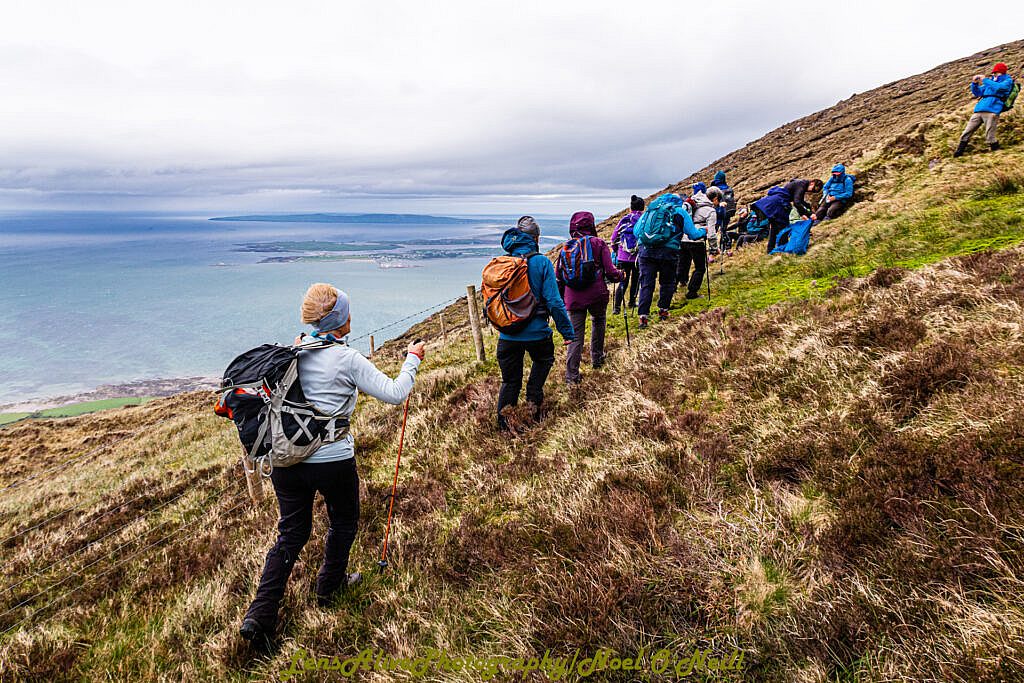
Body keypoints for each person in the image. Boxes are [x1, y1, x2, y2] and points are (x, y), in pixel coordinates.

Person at [240, 284, 426, 651]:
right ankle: (329, 587)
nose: (351, 318)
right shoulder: (347, 358)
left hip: (285, 460)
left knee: (291, 534)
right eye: (347, 313)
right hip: (332, 459)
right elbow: (395, 393)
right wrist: (412, 358)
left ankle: (260, 615)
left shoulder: (290, 351)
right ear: (338, 320)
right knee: (343, 520)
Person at [494, 216, 574, 431]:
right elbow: (555, 302)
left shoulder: (503, 264)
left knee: (510, 381)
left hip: (508, 334)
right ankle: (533, 410)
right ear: (536, 239)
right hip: (538, 333)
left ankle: (504, 425)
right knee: (542, 362)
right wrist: (567, 332)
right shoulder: (541, 262)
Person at [558, 211, 623, 385]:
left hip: (573, 297)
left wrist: (561, 299)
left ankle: (572, 377)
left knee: (575, 335)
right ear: (592, 225)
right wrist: (620, 276)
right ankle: (597, 358)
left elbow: (559, 276)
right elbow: (610, 271)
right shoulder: (598, 243)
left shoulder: (566, 247)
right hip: (596, 294)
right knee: (599, 320)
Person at [635, 194, 694, 328]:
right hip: (668, 252)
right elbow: (693, 234)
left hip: (646, 251)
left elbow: (636, 231)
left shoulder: (652, 209)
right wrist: (704, 231)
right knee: (667, 282)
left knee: (646, 284)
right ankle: (663, 311)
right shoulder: (680, 212)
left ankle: (643, 316)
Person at [954, 62, 1015, 157]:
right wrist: (974, 84)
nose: (994, 74)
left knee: (990, 134)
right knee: (967, 131)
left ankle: (996, 152)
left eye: (996, 72)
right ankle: (959, 152)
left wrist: (985, 80)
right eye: (994, 72)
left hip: (992, 110)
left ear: (1001, 72)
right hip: (979, 110)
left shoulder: (1008, 81)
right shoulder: (990, 81)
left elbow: (999, 88)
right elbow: (977, 93)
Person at [677, 186, 720, 299]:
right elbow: (711, 233)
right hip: (697, 240)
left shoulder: (692, 203)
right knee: (700, 267)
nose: (718, 203)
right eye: (718, 200)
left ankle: (672, 289)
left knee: (682, 265)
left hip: (683, 239)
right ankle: (692, 292)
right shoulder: (710, 211)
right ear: (715, 198)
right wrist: (714, 249)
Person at [610, 195, 644, 314]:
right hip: (637, 257)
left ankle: (617, 308)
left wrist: (616, 250)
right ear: (642, 208)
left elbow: (614, 238)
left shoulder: (624, 219)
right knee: (635, 279)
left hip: (623, 257)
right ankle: (632, 302)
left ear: (631, 208)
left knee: (623, 281)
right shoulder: (643, 220)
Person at [751, 185, 794, 253]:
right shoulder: (783, 198)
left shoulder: (775, 194)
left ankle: (770, 249)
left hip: (762, 208)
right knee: (782, 228)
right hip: (770, 212)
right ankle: (782, 248)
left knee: (774, 229)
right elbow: (783, 217)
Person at [711, 170, 736, 238]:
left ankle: (714, 245)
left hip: (719, 212)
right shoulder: (729, 189)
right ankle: (726, 243)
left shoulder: (715, 189)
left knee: (714, 230)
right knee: (724, 229)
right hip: (729, 210)